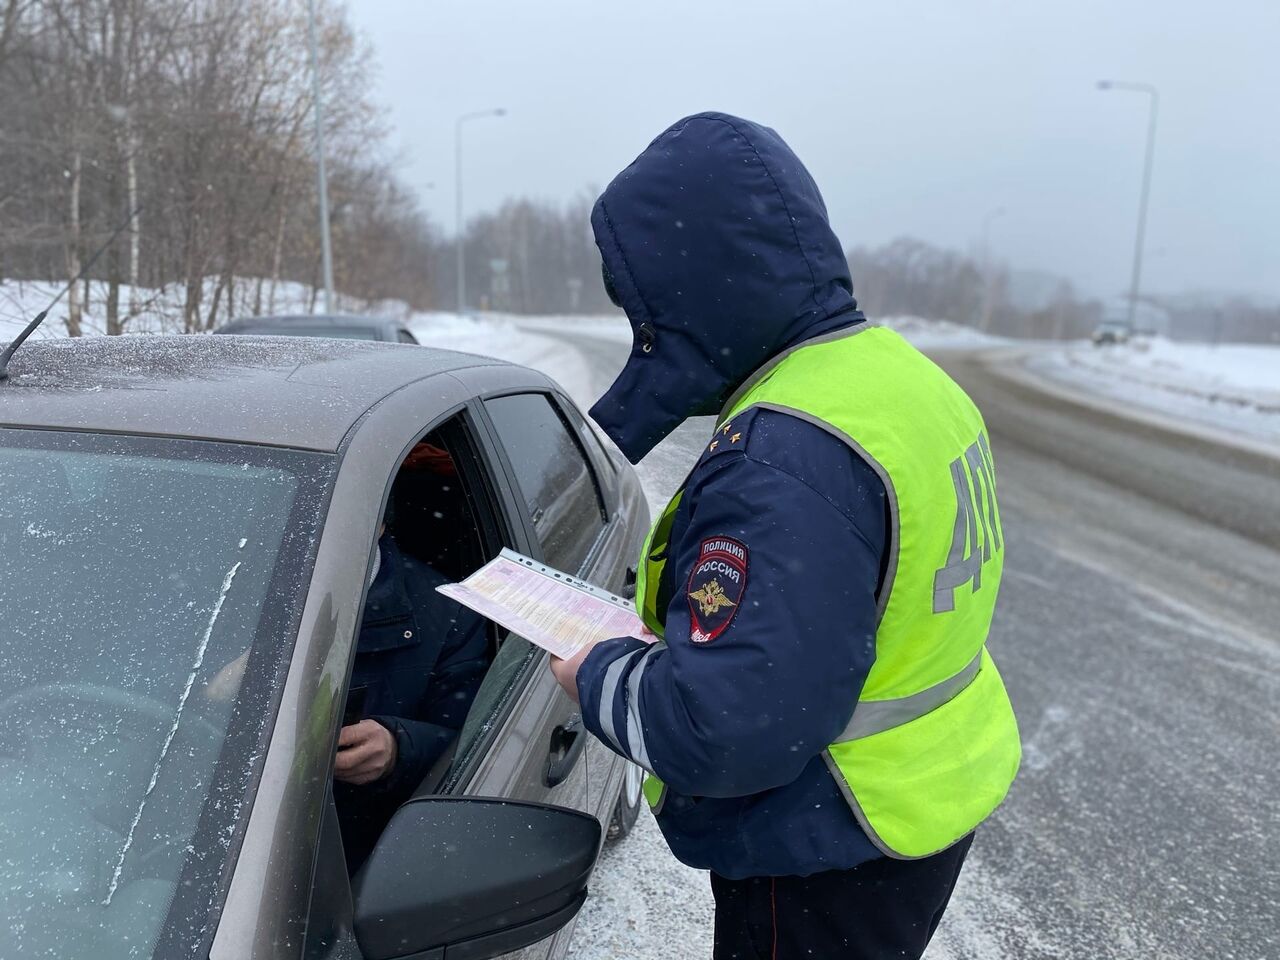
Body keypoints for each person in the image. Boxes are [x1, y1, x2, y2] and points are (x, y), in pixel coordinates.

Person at [550, 113, 1021, 959]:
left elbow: (721, 731)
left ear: (692, 285)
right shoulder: (900, 377)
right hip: (926, 798)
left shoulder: (783, 457)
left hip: (827, 838)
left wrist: (598, 670)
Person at [334, 519, 488, 871]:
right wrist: (214, 697)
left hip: (368, 862)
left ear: (379, 521)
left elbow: (472, 749)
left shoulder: (450, 614)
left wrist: (397, 750)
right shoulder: (221, 587)